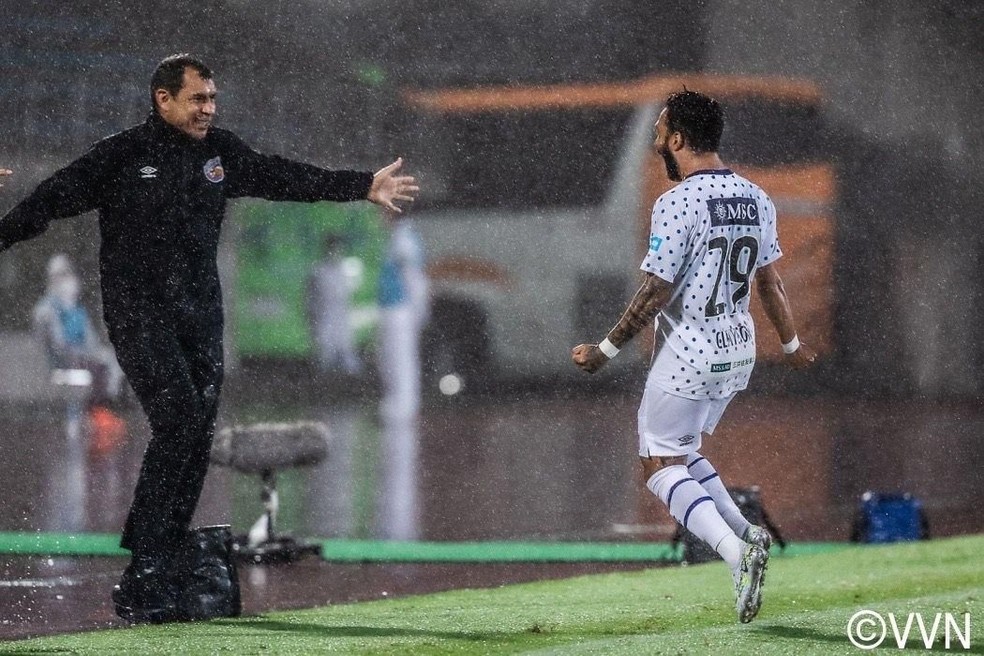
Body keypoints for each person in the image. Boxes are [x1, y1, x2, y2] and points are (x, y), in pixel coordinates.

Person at [0, 53, 417, 624]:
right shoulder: (120, 156)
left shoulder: (221, 154)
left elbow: (284, 176)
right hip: (138, 315)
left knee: (195, 433)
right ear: (162, 99)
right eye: (198, 99)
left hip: (200, 319)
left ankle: (163, 556)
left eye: (213, 99)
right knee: (176, 421)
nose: (209, 109)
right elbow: (47, 200)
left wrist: (362, 186)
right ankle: (146, 561)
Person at [572, 90, 815, 624]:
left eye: (660, 132)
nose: (657, 141)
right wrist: (793, 345)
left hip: (692, 352)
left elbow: (655, 289)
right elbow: (770, 284)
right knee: (682, 452)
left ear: (678, 140)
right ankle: (748, 531)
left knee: (657, 463)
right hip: (739, 350)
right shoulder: (755, 195)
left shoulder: (676, 201)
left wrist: (604, 350)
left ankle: (735, 554)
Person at [33, 254, 127, 454]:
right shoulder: (47, 309)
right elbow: (55, 344)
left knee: (105, 365)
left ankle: (98, 411)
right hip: (62, 363)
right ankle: (89, 414)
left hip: (82, 360)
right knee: (91, 368)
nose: (66, 282)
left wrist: (98, 354)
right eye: (59, 276)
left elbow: (90, 341)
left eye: (67, 275)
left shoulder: (77, 310)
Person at [376, 211, 429, 540]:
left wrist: (417, 312)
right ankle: (398, 403)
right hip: (392, 308)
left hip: (400, 309)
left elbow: (415, 279)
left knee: (402, 362)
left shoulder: (405, 240)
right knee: (392, 362)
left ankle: (405, 406)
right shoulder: (398, 238)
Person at [306, 233, 363, 376]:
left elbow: (351, 296)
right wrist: (313, 320)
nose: (336, 252)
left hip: (342, 318)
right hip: (325, 318)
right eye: (333, 248)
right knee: (324, 359)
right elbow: (310, 300)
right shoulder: (318, 271)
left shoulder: (347, 270)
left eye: (338, 248)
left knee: (349, 359)